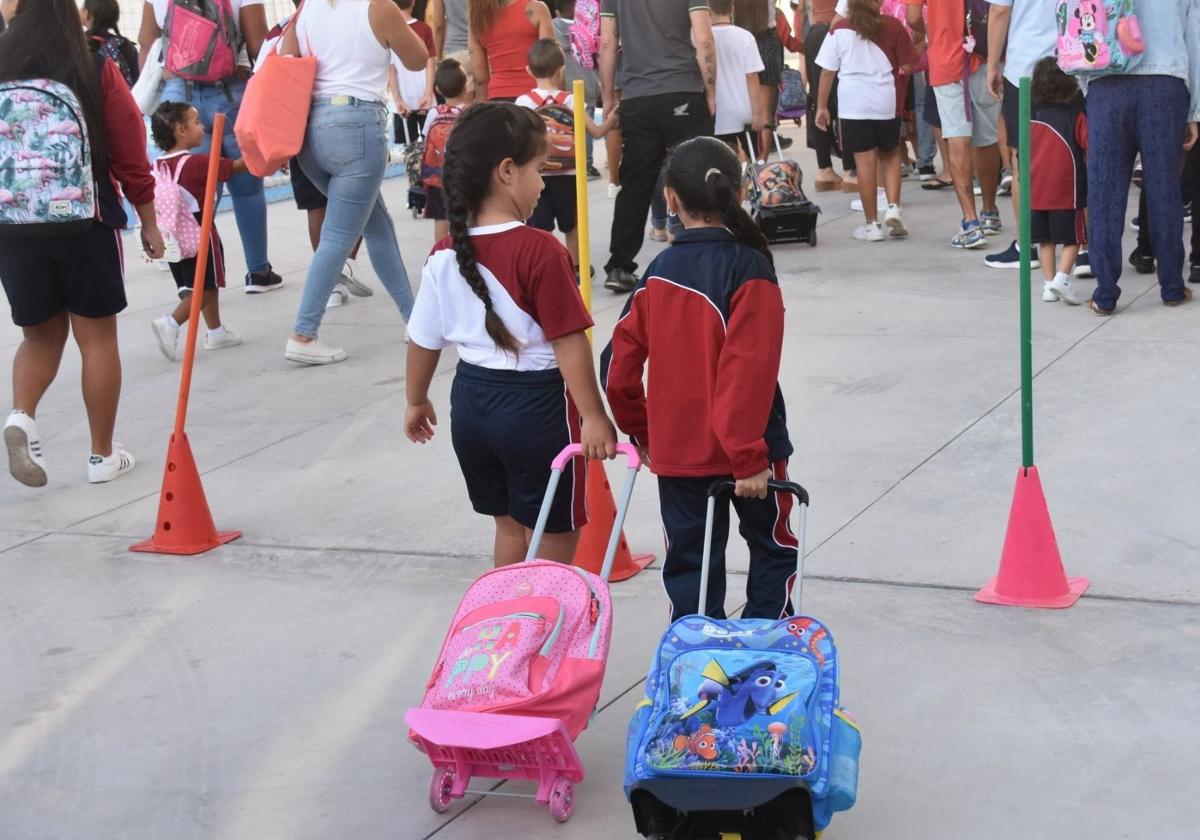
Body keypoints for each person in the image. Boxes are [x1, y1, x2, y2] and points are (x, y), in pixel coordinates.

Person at [403, 103, 618, 567]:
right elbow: (567, 341)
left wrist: (415, 399)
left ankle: (509, 628)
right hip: (536, 411)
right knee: (555, 532)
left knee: (508, 525)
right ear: (506, 172)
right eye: (539, 170)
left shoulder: (444, 252)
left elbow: (422, 339)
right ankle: (544, 628)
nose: (543, 183)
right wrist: (593, 416)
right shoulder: (540, 250)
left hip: (472, 407)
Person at [601, 137, 798, 621]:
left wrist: (645, 433)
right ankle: (761, 655)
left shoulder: (658, 272)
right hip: (750, 453)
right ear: (737, 191)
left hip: (681, 457)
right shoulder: (751, 268)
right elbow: (747, 372)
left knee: (691, 565)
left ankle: (697, 668)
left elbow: (617, 367)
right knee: (772, 551)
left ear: (670, 198)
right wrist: (748, 455)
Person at [1, 0, 165, 487]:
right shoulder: (92, 64)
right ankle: (101, 456)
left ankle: (21, 417)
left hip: (13, 226)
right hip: (84, 223)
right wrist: (149, 218)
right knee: (96, 339)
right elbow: (129, 149)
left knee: (39, 337)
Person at [138, 0, 283, 293]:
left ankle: (193, 277)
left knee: (194, 193)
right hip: (231, 90)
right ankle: (258, 272)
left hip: (179, 95)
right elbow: (258, 44)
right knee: (248, 188)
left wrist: (160, 85)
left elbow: (146, 43)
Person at [1084, 0, 1200, 316]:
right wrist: (1195, 110)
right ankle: (1172, 287)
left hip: (1107, 80)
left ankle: (1105, 293)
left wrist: (1088, 85)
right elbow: (1194, 33)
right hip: (1165, 81)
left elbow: (1077, 22)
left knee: (1105, 192)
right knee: (1164, 188)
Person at [599, 0, 717, 293]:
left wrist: (608, 96)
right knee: (695, 176)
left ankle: (619, 265)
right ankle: (705, 255)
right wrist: (711, 90)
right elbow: (703, 37)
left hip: (638, 95)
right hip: (683, 88)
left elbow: (607, 42)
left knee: (635, 182)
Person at [148, 102, 245, 360]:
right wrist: (261, 153)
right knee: (204, 290)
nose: (202, 127)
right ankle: (170, 323)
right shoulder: (197, 163)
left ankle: (215, 332)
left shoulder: (157, 164)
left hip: (173, 237)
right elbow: (233, 168)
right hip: (200, 233)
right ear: (181, 130)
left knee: (195, 286)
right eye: (197, 122)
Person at [904, 0, 1002, 250]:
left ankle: (971, 223)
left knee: (957, 137)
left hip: (945, 58)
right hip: (982, 55)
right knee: (987, 138)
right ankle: (989, 211)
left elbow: (913, 16)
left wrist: (934, 28)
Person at [816, 0, 917, 241]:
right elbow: (908, 65)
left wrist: (821, 107)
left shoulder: (838, 30)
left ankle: (872, 225)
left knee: (865, 165)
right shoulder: (893, 26)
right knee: (890, 155)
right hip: (885, 101)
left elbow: (827, 72)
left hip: (853, 105)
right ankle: (893, 207)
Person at [515, 38, 617, 274]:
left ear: (529, 70)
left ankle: (542, 268)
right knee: (572, 224)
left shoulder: (524, 102)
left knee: (540, 226)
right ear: (561, 70)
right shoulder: (571, 100)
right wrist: (611, 120)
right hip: (570, 174)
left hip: (536, 175)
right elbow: (597, 131)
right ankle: (577, 269)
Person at [982, 0, 1057, 271]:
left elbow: (999, 10)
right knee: (1075, 156)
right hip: (1071, 61)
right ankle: (1082, 247)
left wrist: (992, 65)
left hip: (1026, 65)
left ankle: (1027, 246)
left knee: (1022, 160)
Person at [1027, 57, 1086, 307]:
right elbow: (1087, 142)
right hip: (1067, 187)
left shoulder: (1031, 115)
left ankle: (1048, 284)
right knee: (1074, 237)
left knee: (1045, 239)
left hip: (1037, 188)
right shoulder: (1075, 115)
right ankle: (1062, 277)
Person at [801, 0, 854, 192]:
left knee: (819, 101)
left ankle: (825, 169)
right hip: (835, 30)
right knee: (842, 102)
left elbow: (805, 9)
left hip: (815, 33)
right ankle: (851, 169)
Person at [422, 58, 471, 242]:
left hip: (437, 177)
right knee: (467, 215)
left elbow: (426, 138)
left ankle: (441, 254)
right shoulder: (469, 112)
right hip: (464, 176)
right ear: (466, 88)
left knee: (441, 219)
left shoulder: (434, 113)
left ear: (438, 90)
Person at [709, 0, 766, 158]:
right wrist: (758, 113)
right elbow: (752, 77)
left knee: (721, 160)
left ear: (708, 11)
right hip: (745, 111)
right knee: (754, 157)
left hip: (717, 113)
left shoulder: (703, 38)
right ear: (732, 9)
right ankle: (750, 181)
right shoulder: (745, 37)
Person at [551, 0, 601, 178]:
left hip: (565, 83)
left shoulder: (553, 27)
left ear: (557, 12)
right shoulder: (587, 26)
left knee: (568, 127)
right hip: (589, 83)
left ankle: (570, 159)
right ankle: (587, 164)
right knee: (586, 128)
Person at [469, 0, 553, 101]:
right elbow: (551, 61)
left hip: (497, 97)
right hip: (534, 97)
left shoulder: (478, 20)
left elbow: (480, 79)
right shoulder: (535, 8)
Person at [733, 0, 783, 154]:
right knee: (766, 113)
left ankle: (743, 162)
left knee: (738, 108)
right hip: (767, 40)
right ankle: (762, 165)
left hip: (739, 39)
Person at [390, 0, 437, 145]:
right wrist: (428, 94)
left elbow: (390, 69)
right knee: (431, 145)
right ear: (413, 2)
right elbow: (431, 63)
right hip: (425, 98)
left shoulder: (389, 31)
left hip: (402, 102)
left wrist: (397, 100)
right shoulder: (424, 29)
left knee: (409, 150)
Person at [81, 0, 139, 87]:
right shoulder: (126, 45)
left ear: (87, 13)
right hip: (124, 98)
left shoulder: (81, 44)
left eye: (81, 9)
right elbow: (137, 78)